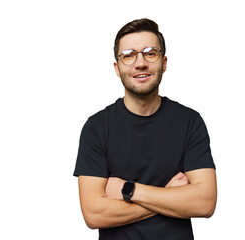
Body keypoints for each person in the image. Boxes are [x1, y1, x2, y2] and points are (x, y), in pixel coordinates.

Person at [73, 18, 217, 240]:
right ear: (117, 68)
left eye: (150, 53)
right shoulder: (97, 128)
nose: (140, 63)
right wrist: (170, 195)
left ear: (164, 62)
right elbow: (94, 214)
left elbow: (205, 202)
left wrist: (129, 190)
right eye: (129, 55)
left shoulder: (190, 122)